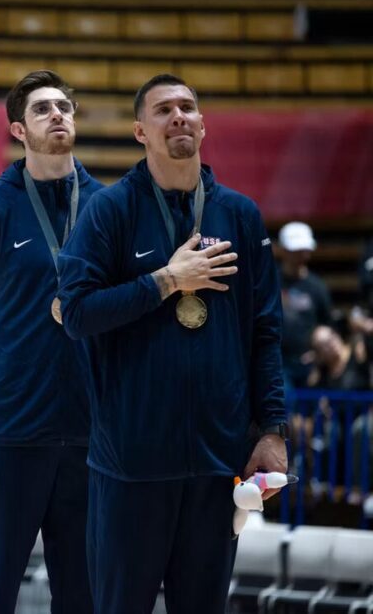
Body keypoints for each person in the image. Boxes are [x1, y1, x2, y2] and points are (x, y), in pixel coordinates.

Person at [57, 73, 287, 613]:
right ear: (141, 131)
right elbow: (78, 314)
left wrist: (273, 430)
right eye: (163, 110)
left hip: (216, 463)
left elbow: (266, 332)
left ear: (204, 126)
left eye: (187, 107)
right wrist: (165, 281)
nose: (178, 116)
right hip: (131, 466)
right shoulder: (110, 211)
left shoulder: (240, 215)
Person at [0, 70, 101, 613]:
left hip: (89, 432)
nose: (58, 115)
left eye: (64, 106)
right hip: (8, 433)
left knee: (84, 591)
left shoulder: (109, 207)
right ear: (18, 129)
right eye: (42, 109)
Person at [278, 221, 333, 389]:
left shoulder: (317, 286)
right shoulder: (270, 281)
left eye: (304, 250)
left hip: (309, 361)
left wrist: (318, 354)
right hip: (277, 361)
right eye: (295, 251)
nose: (300, 256)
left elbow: (327, 323)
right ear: (284, 250)